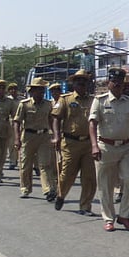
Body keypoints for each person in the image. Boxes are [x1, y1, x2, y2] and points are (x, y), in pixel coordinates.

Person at [89, 67, 129, 232]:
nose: (118, 86)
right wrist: (94, 145)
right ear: (108, 83)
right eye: (115, 82)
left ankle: (124, 215)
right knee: (105, 185)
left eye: (121, 83)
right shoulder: (100, 101)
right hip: (105, 146)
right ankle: (108, 218)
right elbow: (92, 123)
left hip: (126, 147)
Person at [52, 69, 96, 216]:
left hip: (89, 143)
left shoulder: (94, 101)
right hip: (71, 142)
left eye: (84, 81)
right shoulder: (65, 99)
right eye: (78, 81)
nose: (81, 83)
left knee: (89, 177)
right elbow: (56, 118)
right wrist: (57, 136)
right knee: (67, 174)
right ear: (73, 83)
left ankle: (85, 206)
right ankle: (61, 195)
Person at [13, 77, 57, 201]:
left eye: (42, 90)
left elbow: (51, 120)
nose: (40, 93)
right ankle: (25, 189)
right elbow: (16, 122)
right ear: (31, 91)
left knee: (45, 164)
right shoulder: (24, 104)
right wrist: (17, 138)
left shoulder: (48, 104)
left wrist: (55, 135)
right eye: (37, 90)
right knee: (26, 164)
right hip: (28, 136)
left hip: (44, 136)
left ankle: (48, 189)